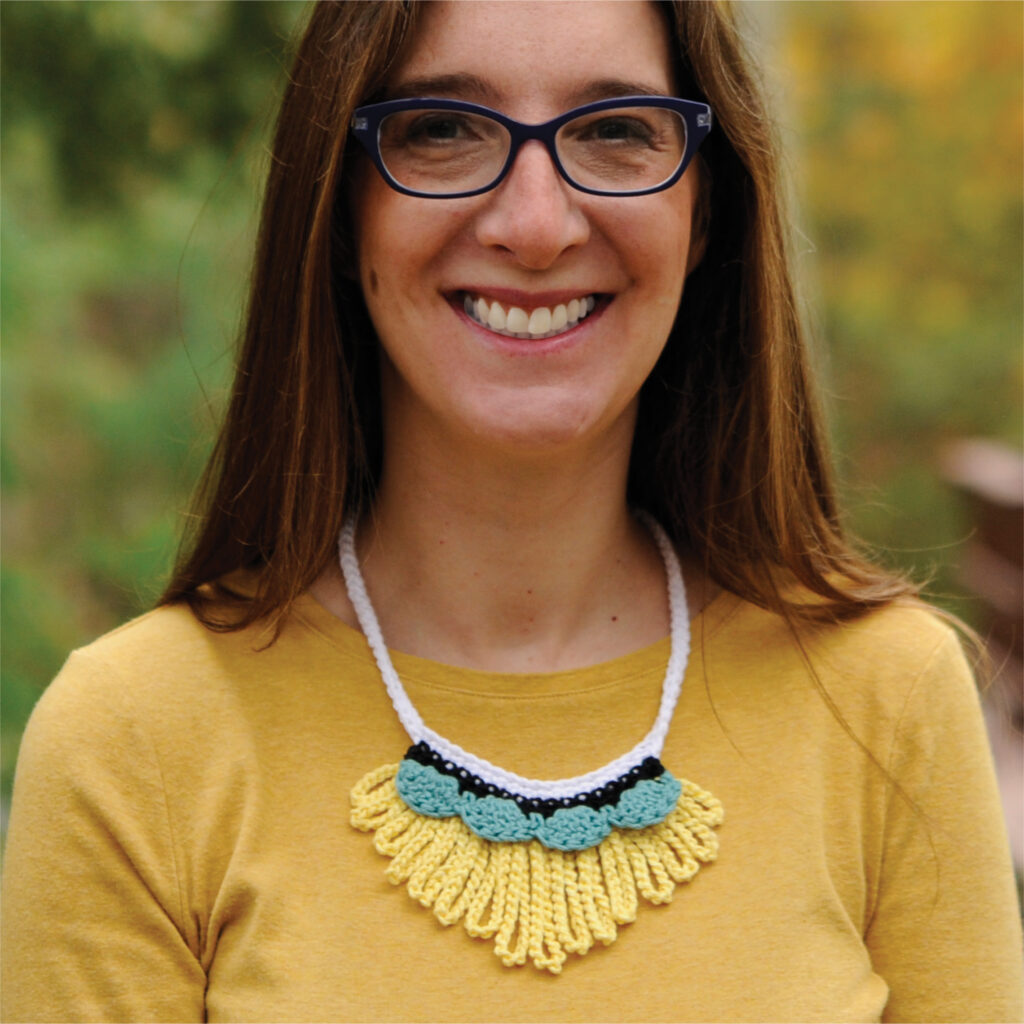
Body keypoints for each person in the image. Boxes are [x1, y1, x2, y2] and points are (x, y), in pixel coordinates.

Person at [3, 2, 1021, 1021]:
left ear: (704, 210)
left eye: (617, 130)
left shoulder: (886, 702)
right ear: (341, 196)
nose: (536, 225)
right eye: (442, 129)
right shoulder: (136, 741)